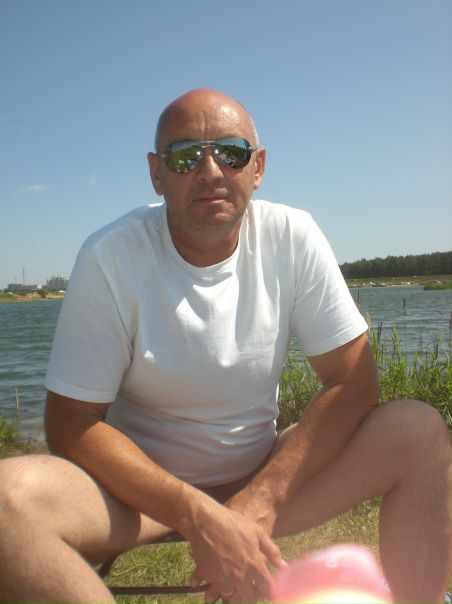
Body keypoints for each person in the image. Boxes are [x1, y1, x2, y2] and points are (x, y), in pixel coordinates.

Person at [0, 88, 450, 604]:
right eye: (185, 156)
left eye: (231, 153)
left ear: (258, 168)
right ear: (156, 174)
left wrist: (260, 500)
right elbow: (71, 424)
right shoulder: (110, 257)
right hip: (138, 499)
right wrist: (197, 515)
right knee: (7, 503)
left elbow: (353, 381)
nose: (210, 171)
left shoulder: (292, 236)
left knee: (418, 430)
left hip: (258, 474)